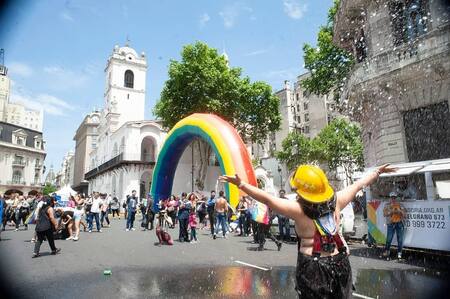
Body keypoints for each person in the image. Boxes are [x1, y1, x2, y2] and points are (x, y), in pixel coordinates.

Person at [220, 164, 396, 298]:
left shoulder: (298, 210)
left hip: (313, 265)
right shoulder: (337, 201)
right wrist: (377, 172)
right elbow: (359, 184)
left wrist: (241, 184)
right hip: (340, 262)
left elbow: (267, 199)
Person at [382, 192, 407, 260]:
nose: (393, 199)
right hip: (391, 223)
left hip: (399, 223)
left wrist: (400, 211)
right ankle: (387, 252)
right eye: (392, 197)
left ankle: (399, 254)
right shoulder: (387, 205)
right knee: (389, 239)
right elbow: (384, 214)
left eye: (394, 197)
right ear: (390, 198)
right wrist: (391, 212)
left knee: (400, 239)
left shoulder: (400, 205)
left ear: (396, 198)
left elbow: (405, 215)